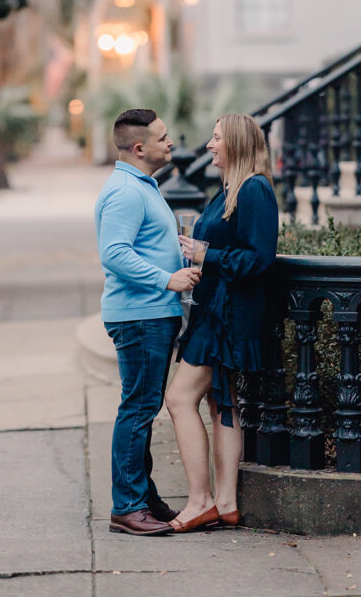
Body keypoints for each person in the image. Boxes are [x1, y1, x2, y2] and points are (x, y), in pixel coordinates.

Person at [165, 113, 278, 533]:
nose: (209, 145)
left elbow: (260, 258)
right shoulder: (230, 188)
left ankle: (200, 501)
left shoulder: (254, 189)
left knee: (178, 400)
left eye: (216, 139)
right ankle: (226, 502)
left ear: (234, 144)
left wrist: (205, 257)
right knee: (221, 404)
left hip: (227, 316)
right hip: (215, 308)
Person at [95, 108, 200, 537]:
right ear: (140, 148)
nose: (171, 142)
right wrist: (167, 277)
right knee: (137, 410)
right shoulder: (125, 191)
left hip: (152, 314)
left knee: (142, 408)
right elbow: (114, 253)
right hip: (140, 316)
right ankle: (128, 506)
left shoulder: (142, 186)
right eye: (162, 137)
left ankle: (144, 497)